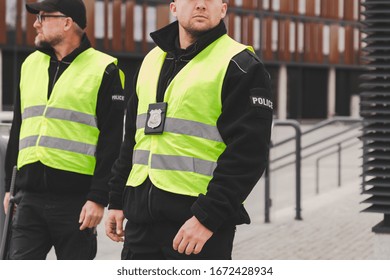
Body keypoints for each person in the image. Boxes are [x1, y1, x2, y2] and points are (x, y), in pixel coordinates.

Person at [105, 0, 273, 260]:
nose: (201, 5)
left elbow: (248, 155)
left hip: (196, 229)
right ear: (173, 7)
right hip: (140, 228)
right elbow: (133, 139)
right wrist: (116, 200)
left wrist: (207, 218)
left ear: (223, 9)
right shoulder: (151, 61)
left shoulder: (241, 65)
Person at [2, 0, 125, 260]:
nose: (36, 24)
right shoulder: (29, 65)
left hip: (76, 203)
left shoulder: (105, 69)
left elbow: (111, 141)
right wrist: (9, 188)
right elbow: (18, 128)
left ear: (67, 22)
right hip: (28, 198)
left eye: (43, 17)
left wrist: (99, 198)